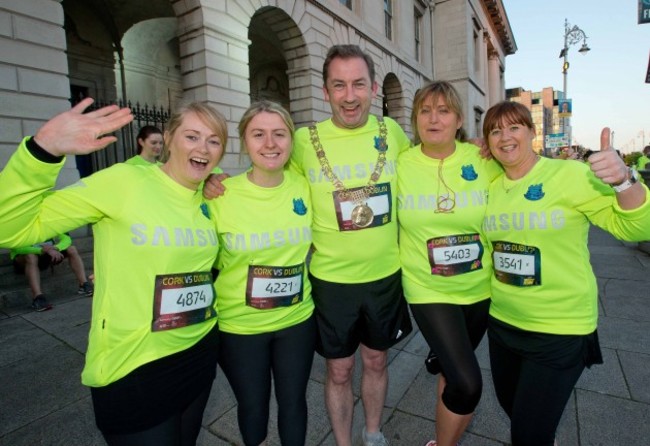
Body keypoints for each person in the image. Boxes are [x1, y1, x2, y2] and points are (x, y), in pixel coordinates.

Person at [0, 98, 227, 446]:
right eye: (192, 136)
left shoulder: (207, 198)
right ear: (168, 138)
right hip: (135, 366)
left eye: (214, 140)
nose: (203, 148)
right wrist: (42, 151)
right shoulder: (123, 181)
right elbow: (10, 228)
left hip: (198, 351)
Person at [482, 101, 650, 446]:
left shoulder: (570, 175)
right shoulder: (490, 187)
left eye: (514, 126)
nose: (505, 136)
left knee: (528, 434)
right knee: (513, 408)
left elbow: (636, 228)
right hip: (503, 324)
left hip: (559, 329)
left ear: (531, 132)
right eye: (495, 130)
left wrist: (623, 180)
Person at [290, 44, 413, 446]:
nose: (349, 95)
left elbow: (430, 169)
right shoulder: (303, 141)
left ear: (374, 89)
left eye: (358, 84)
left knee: (377, 359)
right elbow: (267, 173)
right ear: (325, 92)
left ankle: (373, 433)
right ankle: (343, 442)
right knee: (339, 370)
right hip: (331, 280)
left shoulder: (391, 132)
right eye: (338, 85)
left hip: (385, 276)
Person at [397, 81, 502, 446]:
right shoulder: (400, 164)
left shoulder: (483, 160)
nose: (434, 118)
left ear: (459, 119)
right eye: (425, 111)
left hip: (479, 287)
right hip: (428, 288)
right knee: (468, 382)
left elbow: (524, 180)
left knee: (450, 369)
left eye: (443, 111)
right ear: (415, 119)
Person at [209, 100, 316, 446]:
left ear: (290, 140)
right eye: (259, 134)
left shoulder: (306, 186)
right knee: (253, 407)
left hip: (296, 321)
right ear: (244, 141)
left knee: (294, 404)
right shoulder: (219, 195)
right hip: (239, 327)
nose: (270, 144)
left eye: (279, 134)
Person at [11, 233, 93, 312]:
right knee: (31, 256)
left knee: (72, 249)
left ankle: (83, 284)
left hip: (48, 254)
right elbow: (18, 248)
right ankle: (37, 297)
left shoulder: (48, 222)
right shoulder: (23, 225)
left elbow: (67, 239)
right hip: (24, 259)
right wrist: (41, 250)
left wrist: (55, 248)